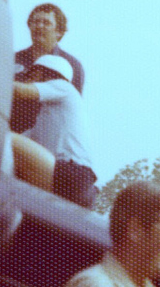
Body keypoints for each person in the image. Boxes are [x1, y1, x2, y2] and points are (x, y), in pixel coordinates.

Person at [14, 54, 97, 208]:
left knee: (6, 140)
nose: (28, 79)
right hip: (73, 183)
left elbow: (20, 91)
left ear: (46, 72)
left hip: (72, 173)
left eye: (32, 74)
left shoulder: (63, 87)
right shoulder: (43, 121)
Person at [14, 1, 85, 93]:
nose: (39, 26)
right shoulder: (14, 59)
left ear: (59, 32)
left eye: (46, 23)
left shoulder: (72, 65)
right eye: (36, 22)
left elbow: (74, 101)